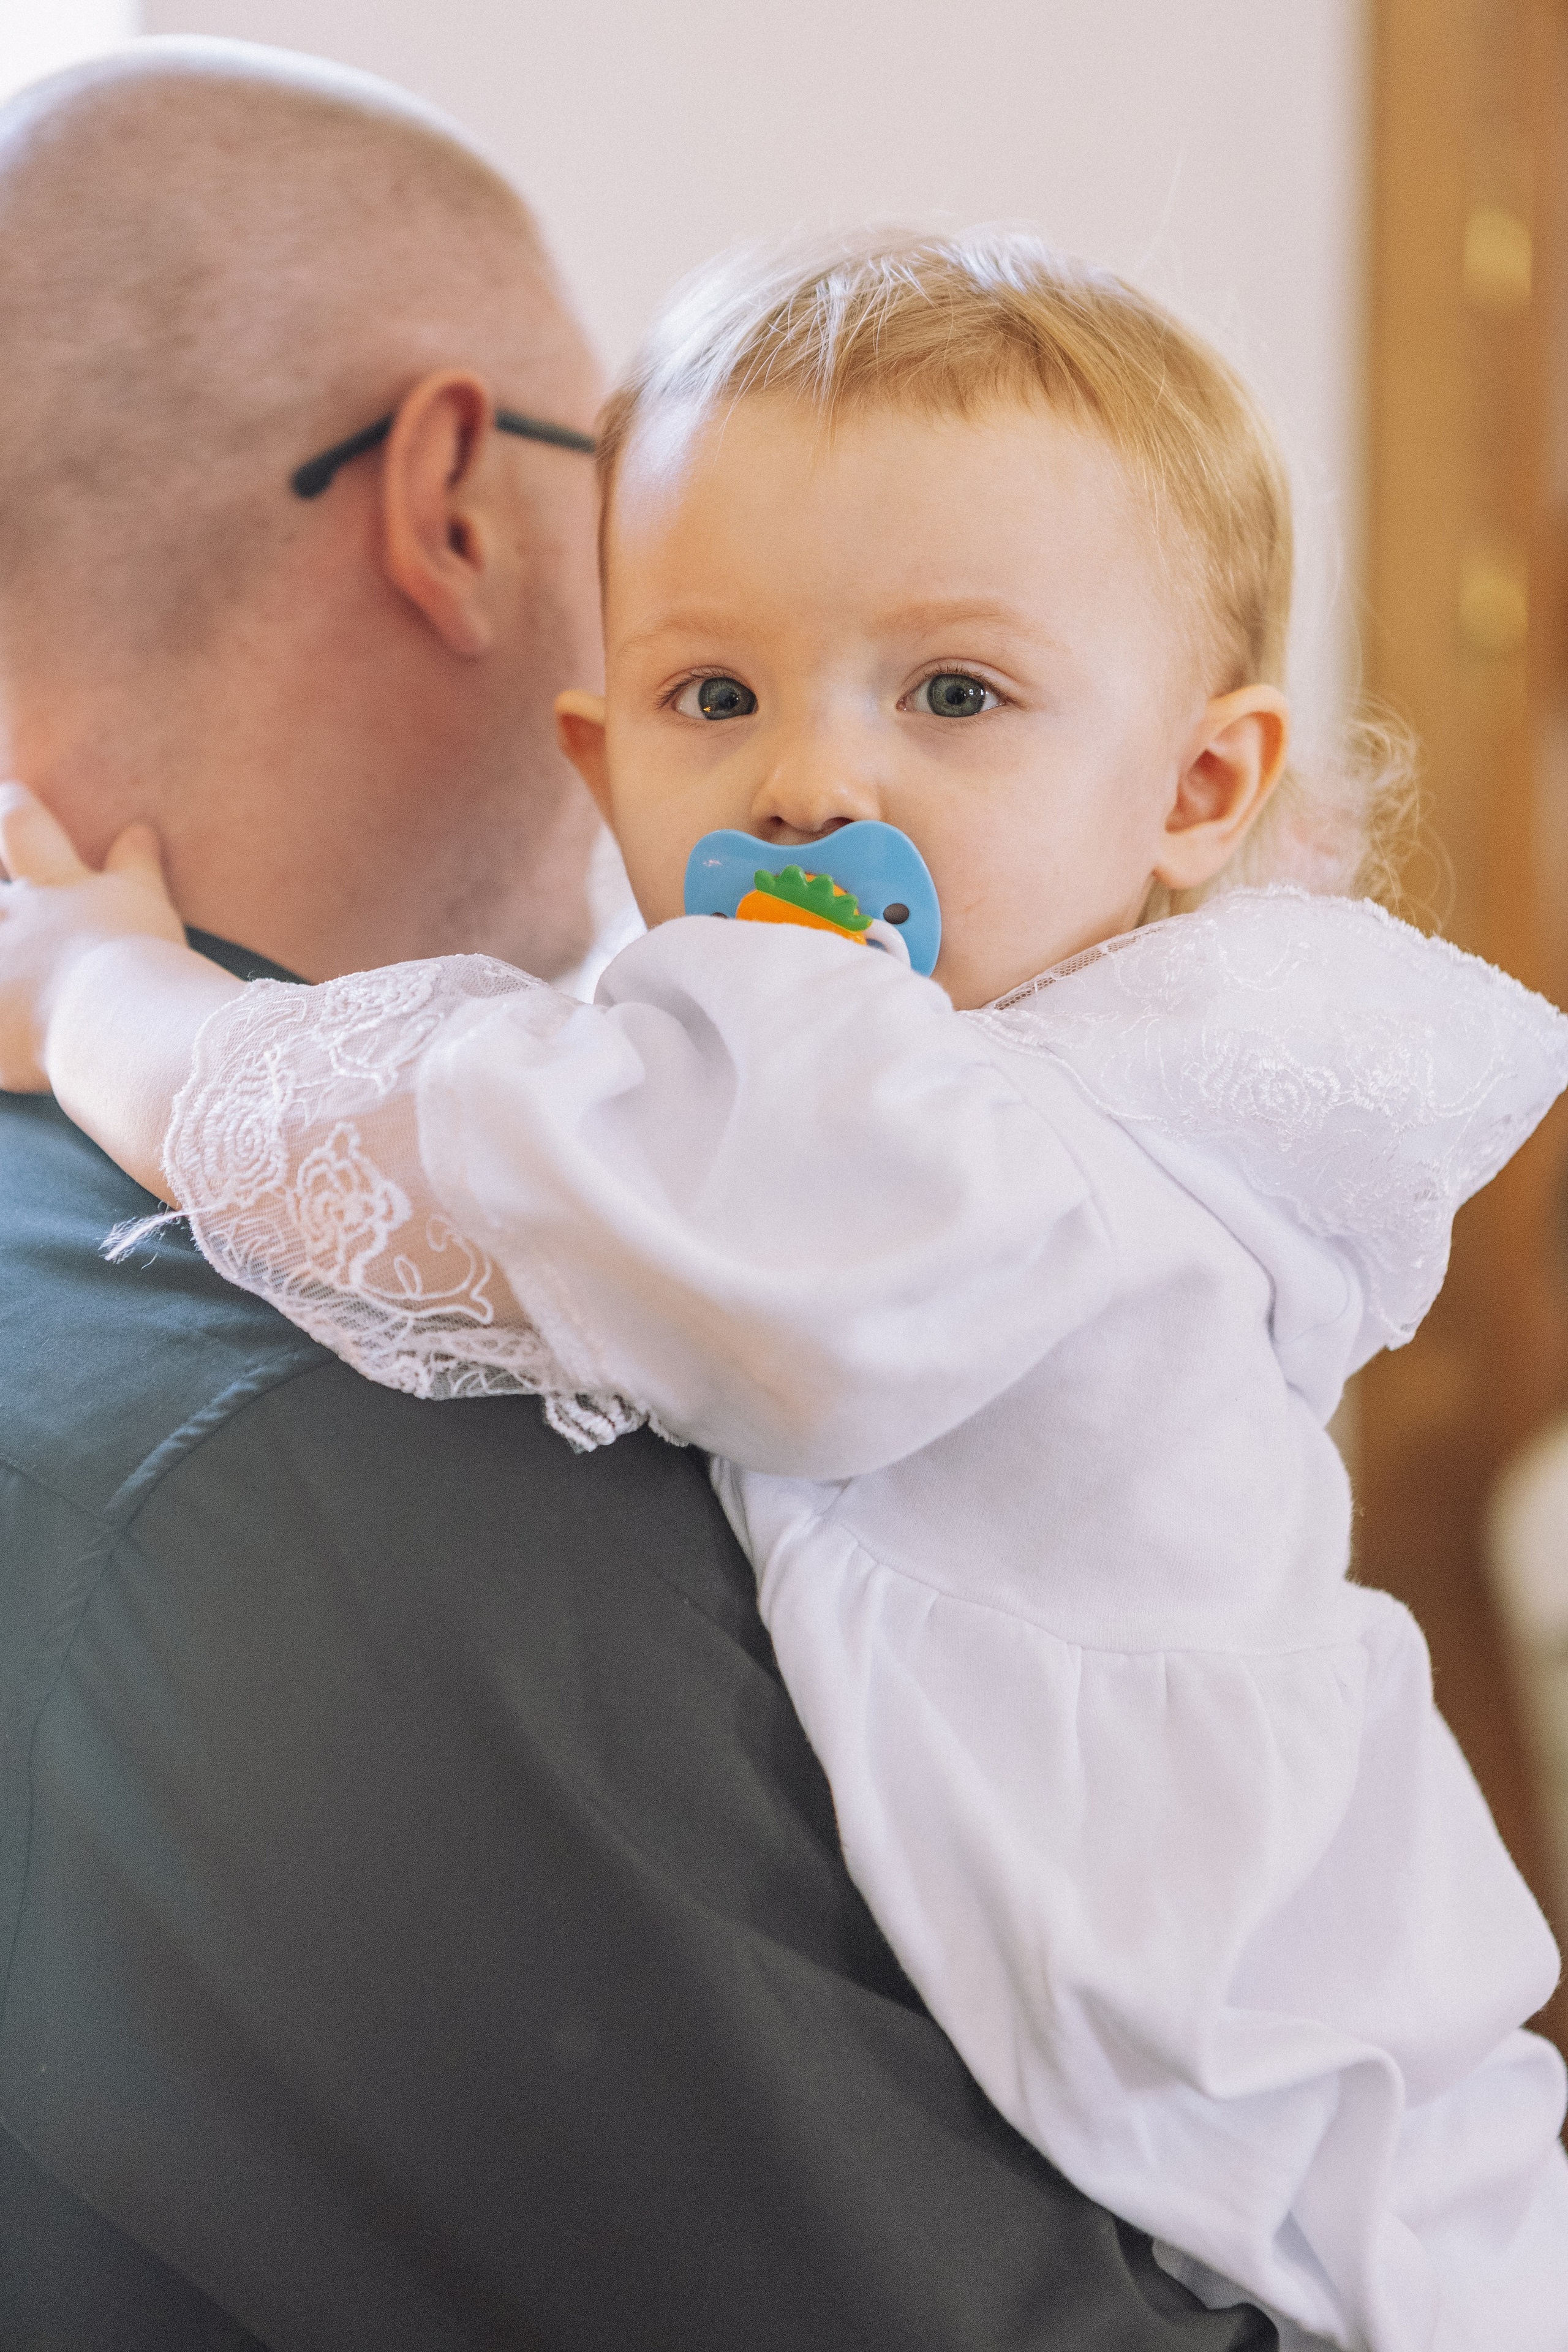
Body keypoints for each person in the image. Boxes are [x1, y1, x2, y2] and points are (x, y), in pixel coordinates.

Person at [8, 228, 1568, 2352]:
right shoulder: (1043, 1075)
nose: (812, 787)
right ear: (599, 751)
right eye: (713, 696)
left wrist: (105, 988)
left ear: (1200, 785)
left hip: (1274, 2135)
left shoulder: (917, 1132)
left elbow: (446, 1145)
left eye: (954, 695)